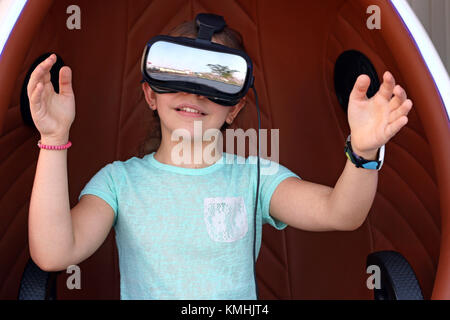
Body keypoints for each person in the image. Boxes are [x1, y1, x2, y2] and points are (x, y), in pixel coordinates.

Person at [27, 19, 413, 300]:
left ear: (234, 109)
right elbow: (54, 253)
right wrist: (54, 137)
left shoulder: (254, 177)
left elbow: (340, 213)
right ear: (150, 95)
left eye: (215, 82)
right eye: (178, 76)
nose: (195, 95)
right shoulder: (118, 183)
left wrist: (363, 152)